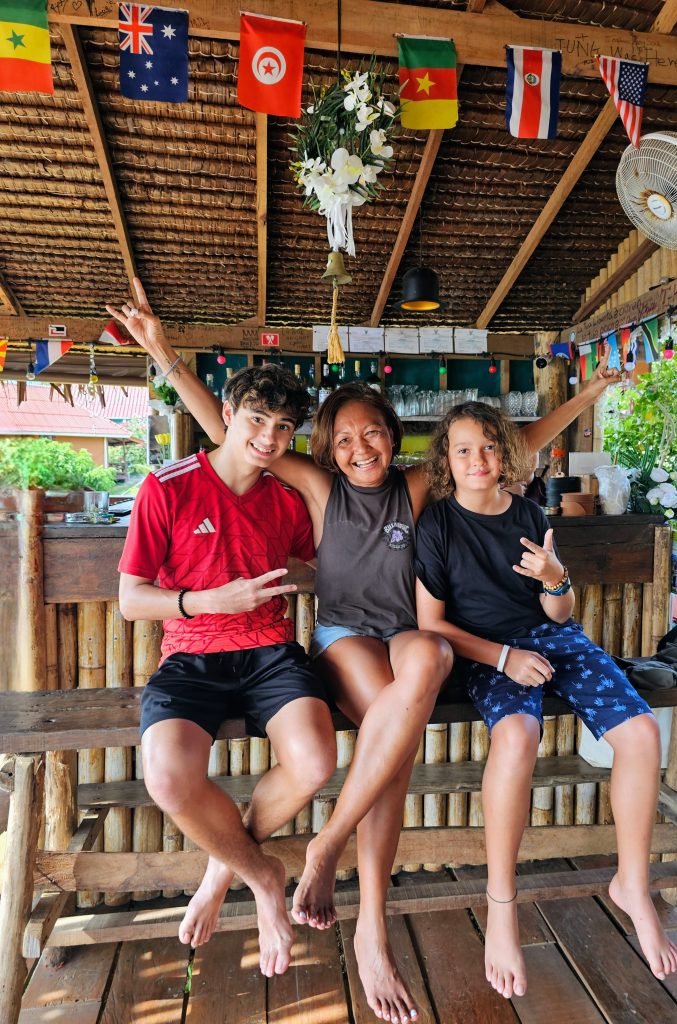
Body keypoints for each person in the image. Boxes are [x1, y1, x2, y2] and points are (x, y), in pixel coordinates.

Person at [108, 279, 620, 1024]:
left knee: (428, 664)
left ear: (395, 434)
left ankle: (318, 850)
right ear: (326, 448)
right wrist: (163, 355)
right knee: (396, 736)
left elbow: (520, 443)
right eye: (343, 438)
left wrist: (586, 394)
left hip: (406, 634)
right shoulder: (319, 488)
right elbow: (234, 432)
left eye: (372, 433)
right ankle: (369, 931)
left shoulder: (419, 489)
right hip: (342, 638)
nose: (359, 448)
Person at [413, 402, 677, 1002]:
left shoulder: (531, 512)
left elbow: (559, 613)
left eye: (487, 446)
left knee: (641, 733)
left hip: (554, 639)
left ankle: (632, 883)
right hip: (487, 651)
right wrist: (504, 659)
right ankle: (501, 904)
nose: (477, 459)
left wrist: (557, 578)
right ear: (446, 461)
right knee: (517, 737)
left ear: (504, 453)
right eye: (463, 450)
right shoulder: (438, 526)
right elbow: (431, 624)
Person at [117, 361, 337, 978]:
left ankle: (224, 869)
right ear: (228, 417)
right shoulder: (166, 486)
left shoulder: (287, 500)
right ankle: (263, 874)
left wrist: (304, 577)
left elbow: (309, 570)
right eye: (258, 418)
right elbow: (132, 600)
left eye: (284, 426)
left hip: (271, 652)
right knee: (168, 781)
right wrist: (207, 600)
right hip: (190, 657)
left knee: (316, 762)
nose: (269, 437)